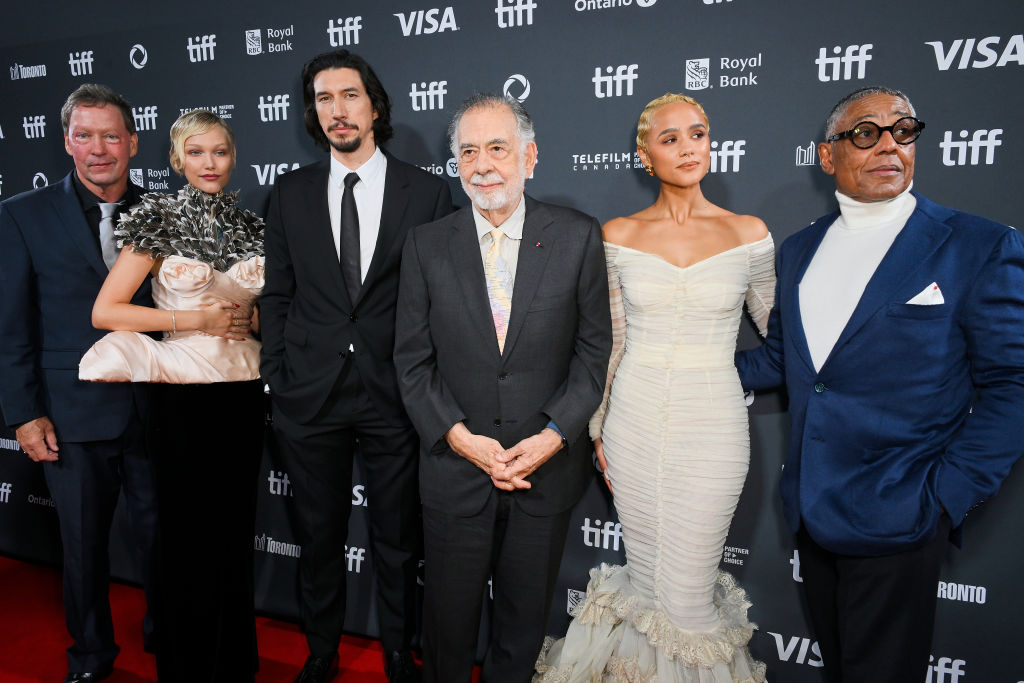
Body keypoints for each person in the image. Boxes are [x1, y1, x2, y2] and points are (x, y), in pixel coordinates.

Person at [735, 86, 1024, 682]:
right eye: (865, 133)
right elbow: (782, 362)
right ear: (827, 155)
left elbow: (1014, 383)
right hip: (812, 513)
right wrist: (663, 369)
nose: (889, 144)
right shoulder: (799, 249)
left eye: (903, 129)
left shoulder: (978, 245)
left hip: (903, 515)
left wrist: (945, 495)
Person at [534, 94, 771, 682]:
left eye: (698, 134)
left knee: (687, 596)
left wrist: (717, 374)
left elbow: (784, 341)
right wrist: (596, 427)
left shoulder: (748, 234)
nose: (688, 147)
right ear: (645, 155)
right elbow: (608, 344)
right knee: (645, 579)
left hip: (714, 425)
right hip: (632, 423)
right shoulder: (618, 234)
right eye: (670, 139)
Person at [394, 93, 613, 683]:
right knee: (446, 628)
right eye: (468, 151)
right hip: (455, 469)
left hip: (542, 469)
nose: (483, 164)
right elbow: (412, 362)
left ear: (530, 156)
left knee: (521, 631)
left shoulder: (577, 236)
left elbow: (594, 353)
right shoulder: (425, 244)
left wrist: (552, 436)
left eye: (498, 148)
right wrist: (463, 441)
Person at [259, 49, 453, 683]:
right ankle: (321, 651)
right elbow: (278, 294)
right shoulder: (287, 193)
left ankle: (399, 650)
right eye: (322, 99)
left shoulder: (426, 192)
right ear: (313, 113)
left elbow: (440, 303)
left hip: (393, 393)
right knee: (317, 536)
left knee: (398, 538)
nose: (336, 110)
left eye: (348, 96)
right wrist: (277, 375)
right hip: (307, 396)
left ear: (374, 105)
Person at [84, 109, 265, 682]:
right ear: (176, 158)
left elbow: (266, 315)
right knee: (185, 538)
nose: (209, 164)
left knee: (234, 537)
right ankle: (188, 669)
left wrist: (252, 317)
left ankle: (232, 666)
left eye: (219, 152)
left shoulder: (251, 223)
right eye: (196, 153)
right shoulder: (157, 219)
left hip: (241, 399)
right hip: (182, 399)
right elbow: (106, 310)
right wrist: (191, 318)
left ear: (233, 158)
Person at [0, 84, 157, 683]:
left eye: (111, 135)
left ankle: (165, 638)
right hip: (70, 416)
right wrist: (24, 413)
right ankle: (90, 656)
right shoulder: (21, 215)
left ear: (132, 143)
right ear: (66, 142)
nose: (99, 149)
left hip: (153, 410)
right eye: (85, 136)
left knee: (162, 545)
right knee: (84, 552)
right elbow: (11, 325)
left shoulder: (161, 213)